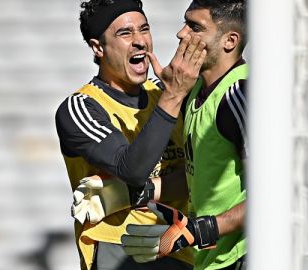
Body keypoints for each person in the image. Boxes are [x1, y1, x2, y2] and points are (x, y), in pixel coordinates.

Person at [54, 0, 207, 269]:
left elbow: (202, 175)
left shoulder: (169, 93)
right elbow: (132, 168)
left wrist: (134, 193)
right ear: (98, 47)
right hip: (120, 252)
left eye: (144, 29)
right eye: (125, 33)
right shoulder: (81, 108)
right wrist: (173, 97)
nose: (140, 42)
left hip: (180, 246)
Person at [120, 0, 248, 269]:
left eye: (195, 27)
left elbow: (271, 197)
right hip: (208, 261)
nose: (181, 34)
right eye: (184, 23)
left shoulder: (240, 96)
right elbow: (199, 174)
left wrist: (199, 230)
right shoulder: (195, 89)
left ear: (229, 41)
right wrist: (137, 192)